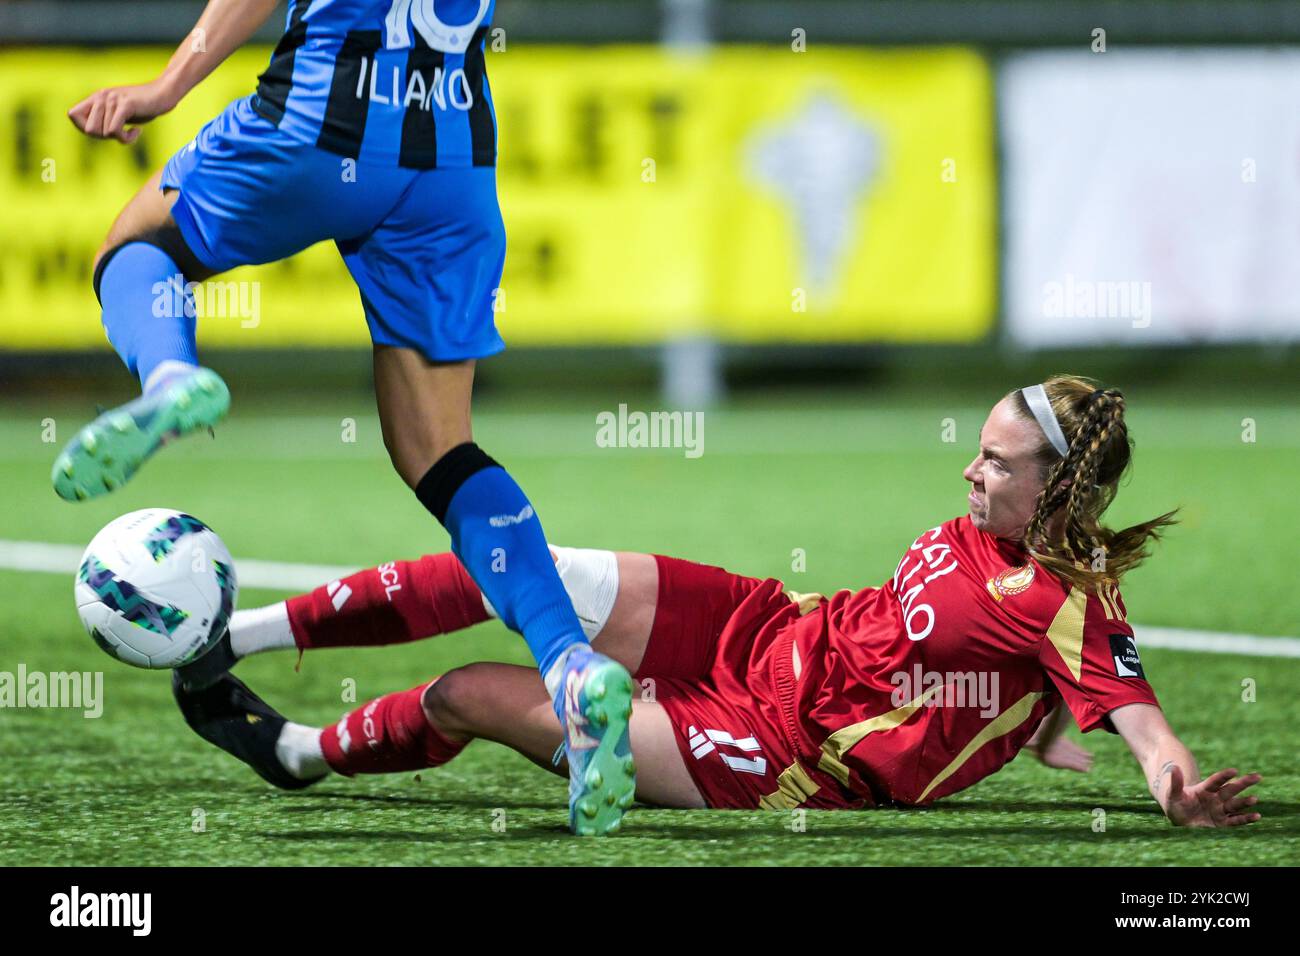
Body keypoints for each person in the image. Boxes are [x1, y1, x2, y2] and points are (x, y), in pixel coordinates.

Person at [174, 376, 1264, 827]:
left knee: (465, 692)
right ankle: (240, 630)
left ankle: (297, 751)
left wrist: (1171, 786)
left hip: (780, 745)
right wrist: (1015, 725)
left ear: (1058, 487)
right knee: (516, 568)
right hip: (767, 624)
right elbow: (966, 659)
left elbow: (1141, 720)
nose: (968, 473)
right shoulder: (992, 532)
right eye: (976, 452)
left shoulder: (1073, 601)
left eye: (993, 462)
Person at [52, 0, 633, 835]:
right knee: (440, 451)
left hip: (323, 117)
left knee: (134, 250)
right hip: (453, 149)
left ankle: (170, 376)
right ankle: (569, 667)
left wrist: (167, 84)